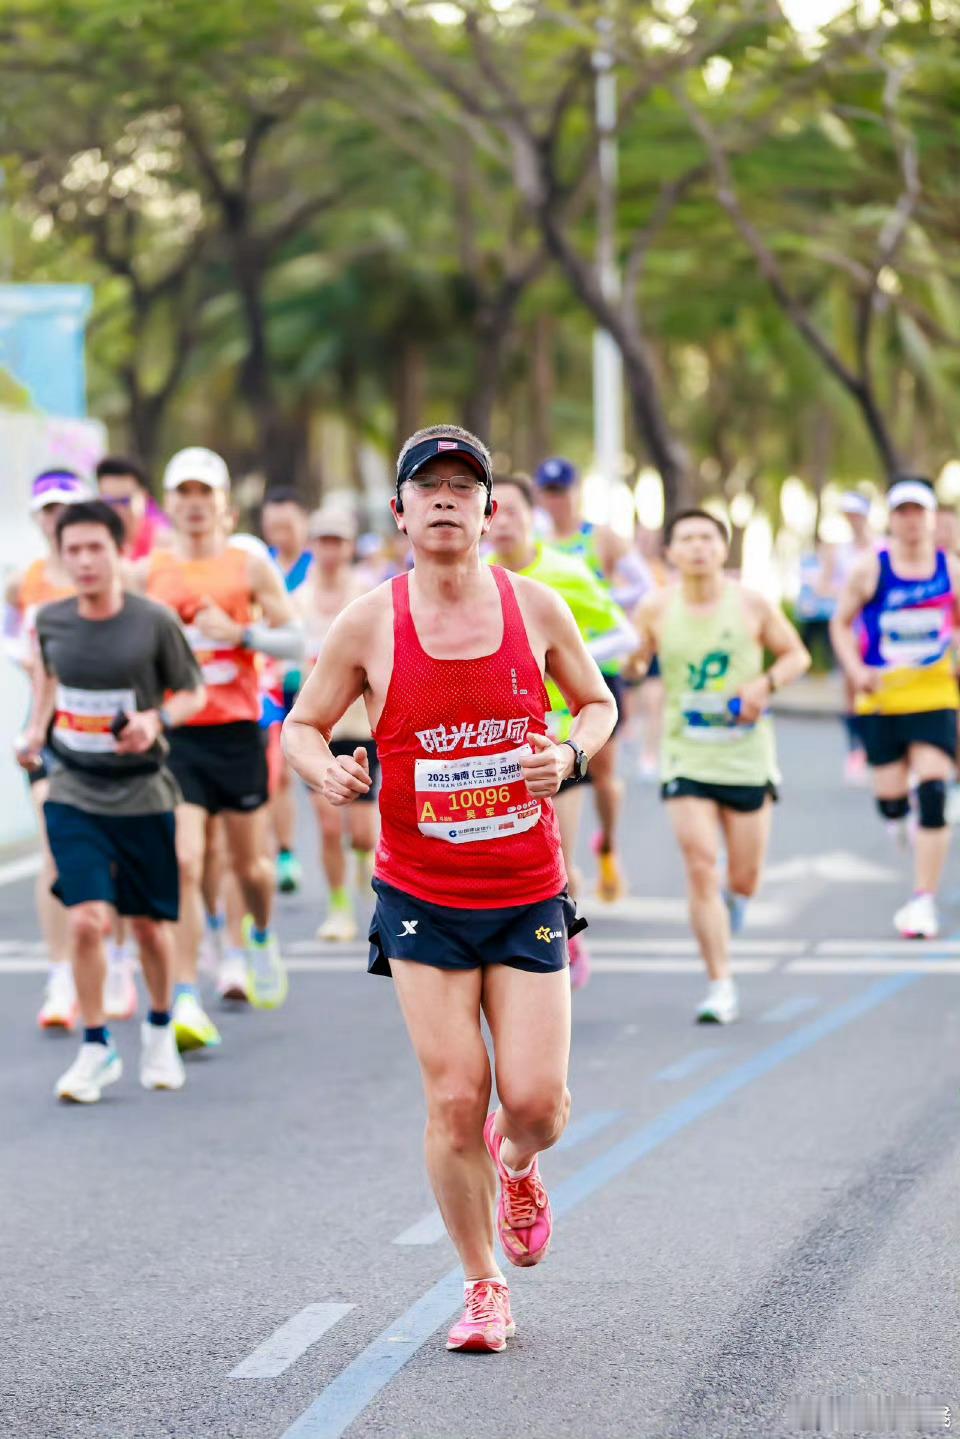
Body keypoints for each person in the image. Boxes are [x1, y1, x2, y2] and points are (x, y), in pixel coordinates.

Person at [283, 424, 616, 1354]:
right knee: (455, 1095)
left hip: (526, 888)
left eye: (462, 487)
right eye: (426, 486)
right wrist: (325, 768)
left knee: (537, 1102)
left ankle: (519, 1162)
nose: (444, 499)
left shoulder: (536, 606)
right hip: (421, 895)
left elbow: (598, 701)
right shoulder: (369, 622)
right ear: (399, 512)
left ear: (488, 509)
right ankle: (482, 1284)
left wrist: (571, 753)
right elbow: (301, 725)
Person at [17, 500, 205, 1102]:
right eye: (73, 550)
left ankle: (158, 1028)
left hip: (142, 793)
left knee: (148, 929)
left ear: (120, 552)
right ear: (61, 556)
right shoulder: (50, 621)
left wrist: (155, 721)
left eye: (96, 547)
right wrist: (34, 733)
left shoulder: (152, 622)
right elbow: (49, 684)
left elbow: (193, 693)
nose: (85, 561)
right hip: (74, 788)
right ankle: (96, 1046)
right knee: (86, 919)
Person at [136, 447, 302, 1047]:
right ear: (169, 503)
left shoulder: (248, 566)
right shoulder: (148, 573)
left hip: (237, 732)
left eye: (204, 493)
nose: (194, 504)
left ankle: (258, 934)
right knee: (184, 860)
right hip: (176, 737)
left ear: (223, 504)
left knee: (251, 867)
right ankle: (185, 996)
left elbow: (296, 640)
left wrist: (241, 634)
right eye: (183, 493)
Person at [627, 509, 810, 1023]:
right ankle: (720, 985)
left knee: (744, 878)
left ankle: (736, 901)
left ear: (722, 548)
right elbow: (636, 661)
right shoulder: (655, 607)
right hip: (686, 755)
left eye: (707, 537)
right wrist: (635, 664)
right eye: (687, 538)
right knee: (701, 865)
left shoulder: (751, 603)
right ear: (671, 552)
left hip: (746, 757)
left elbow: (796, 656)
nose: (698, 546)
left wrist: (764, 685)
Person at [488, 472, 637, 988]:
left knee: (558, 852)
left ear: (534, 518)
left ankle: (568, 940)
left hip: (556, 734)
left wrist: (566, 660)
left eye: (514, 510)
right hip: (491, 737)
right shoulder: (474, 577)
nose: (503, 522)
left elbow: (624, 633)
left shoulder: (564, 573)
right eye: (495, 510)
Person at [831, 476, 960, 939]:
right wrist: (855, 669)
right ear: (892, 518)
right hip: (882, 698)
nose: (911, 520)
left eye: (918, 511)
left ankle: (922, 901)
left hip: (935, 695)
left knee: (933, 789)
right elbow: (840, 624)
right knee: (890, 800)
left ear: (931, 517)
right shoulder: (871, 568)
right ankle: (897, 815)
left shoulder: (950, 569)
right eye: (902, 512)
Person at [534, 456, 644, 902]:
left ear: (576, 492)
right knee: (560, 772)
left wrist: (603, 597)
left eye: (562, 492)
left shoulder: (601, 539)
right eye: (549, 493)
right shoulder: (535, 540)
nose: (556, 501)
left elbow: (644, 587)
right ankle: (564, 872)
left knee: (603, 774)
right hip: (548, 674)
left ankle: (609, 844)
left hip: (598, 668)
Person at [7, 469, 88, 1030]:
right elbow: (16, 640)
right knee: (55, 848)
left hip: (102, 730)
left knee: (109, 851)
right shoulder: (24, 582)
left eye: (66, 508)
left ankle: (116, 959)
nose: (57, 518)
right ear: (38, 518)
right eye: (48, 510)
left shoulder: (107, 576)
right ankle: (60, 976)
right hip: (46, 728)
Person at [295, 505, 379, 942]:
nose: (330, 550)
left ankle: (364, 860)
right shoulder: (299, 600)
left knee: (363, 834)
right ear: (313, 546)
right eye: (323, 541)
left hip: (364, 729)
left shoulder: (368, 595)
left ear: (349, 547)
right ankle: (339, 907)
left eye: (338, 541)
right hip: (317, 730)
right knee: (329, 826)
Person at [259, 487, 313, 894]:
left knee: (313, 776)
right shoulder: (261, 566)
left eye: (287, 524)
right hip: (272, 685)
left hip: (313, 682)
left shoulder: (316, 565)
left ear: (303, 523)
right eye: (273, 525)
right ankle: (284, 854)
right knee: (275, 773)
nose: (280, 532)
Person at [96, 454, 172, 560]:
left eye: (125, 501)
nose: (117, 509)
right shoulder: (93, 546)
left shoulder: (164, 545)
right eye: (110, 501)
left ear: (144, 497)